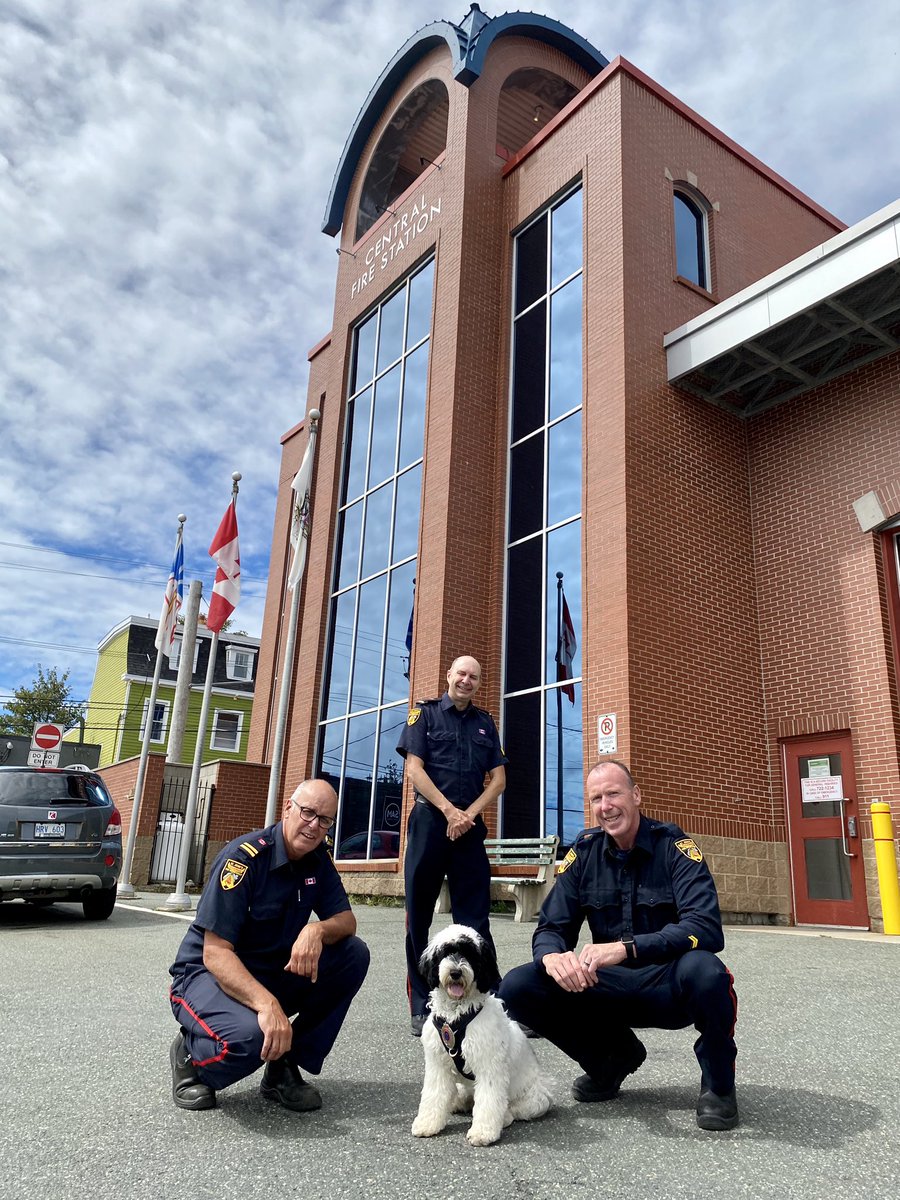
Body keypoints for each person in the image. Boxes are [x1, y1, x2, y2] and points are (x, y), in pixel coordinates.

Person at [499, 760, 739, 1131]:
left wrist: (626, 947)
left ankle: (718, 1086)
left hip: (666, 984)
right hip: (605, 989)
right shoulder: (583, 854)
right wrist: (552, 956)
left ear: (636, 796)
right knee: (518, 985)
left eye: (613, 793)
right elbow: (551, 926)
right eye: (597, 798)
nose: (606, 806)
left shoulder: (674, 847)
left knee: (709, 973)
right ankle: (611, 1061)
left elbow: (705, 927)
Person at [167, 779, 369, 1112]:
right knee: (251, 1039)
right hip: (207, 975)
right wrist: (267, 1006)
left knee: (352, 955)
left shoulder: (318, 859)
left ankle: (283, 1067)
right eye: (308, 812)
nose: (314, 825)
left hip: (268, 972)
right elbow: (215, 953)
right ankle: (191, 1056)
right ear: (288, 808)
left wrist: (316, 931)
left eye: (325, 820)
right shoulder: (244, 859)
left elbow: (346, 921)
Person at [397, 654, 507, 1036]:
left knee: (475, 917)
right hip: (430, 822)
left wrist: (468, 815)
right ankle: (420, 1002)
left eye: (474, 676)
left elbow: (498, 780)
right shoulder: (424, 715)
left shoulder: (485, 723)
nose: (467, 680)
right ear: (449, 675)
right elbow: (414, 769)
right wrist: (449, 812)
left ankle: (488, 995)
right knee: (419, 917)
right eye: (461, 673)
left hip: (468, 828)